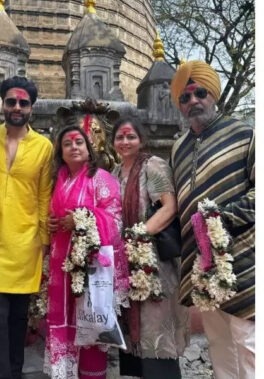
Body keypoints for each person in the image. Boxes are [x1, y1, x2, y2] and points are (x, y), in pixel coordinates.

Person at [169, 61, 254, 379]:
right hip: (200, 264)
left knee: (250, 343)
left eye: (199, 93)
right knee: (219, 346)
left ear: (212, 94)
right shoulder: (177, 149)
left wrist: (221, 218)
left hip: (242, 258)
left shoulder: (244, 134)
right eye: (184, 97)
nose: (192, 102)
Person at [0, 76, 53, 379]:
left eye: (23, 102)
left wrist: (44, 240)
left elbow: (44, 195)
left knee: (19, 320)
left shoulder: (43, 147)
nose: (17, 107)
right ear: (3, 105)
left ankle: (15, 373)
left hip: (26, 243)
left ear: (31, 107)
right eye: (11, 101)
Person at [46, 126, 129, 379]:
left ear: (88, 147)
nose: (74, 147)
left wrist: (83, 219)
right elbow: (56, 216)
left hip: (92, 269)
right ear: (60, 152)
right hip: (62, 266)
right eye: (67, 143)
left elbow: (115, 219)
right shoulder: (58, 180)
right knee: (66, 326)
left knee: (91, 325)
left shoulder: (101, 178)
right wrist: (51, 224)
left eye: (79, 142)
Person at [110, 119, 189, 378]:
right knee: (133, 332)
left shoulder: (152, 166)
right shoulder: (113, 173)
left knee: (155, 328)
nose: (125, 142)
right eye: (120, 137)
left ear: (141, 140)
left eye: (130, 136)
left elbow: (169, 206)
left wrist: (139, 235)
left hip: (152, 261)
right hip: (124, 262)